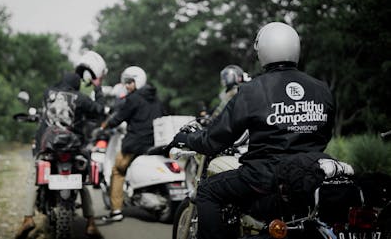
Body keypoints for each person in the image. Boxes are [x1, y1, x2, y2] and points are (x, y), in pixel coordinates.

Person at [170, 22, 335, 239]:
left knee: (207, 191)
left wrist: (188, 139)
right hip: (310, 174)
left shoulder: (253, 90)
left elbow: (214, 140)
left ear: (263, 51)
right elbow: (325, 133)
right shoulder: (321, 88)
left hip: (265, 176)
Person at [15, 72, 106, 239]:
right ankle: (91, 223)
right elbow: (100, 110)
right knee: (82, 182)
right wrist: (97, 88)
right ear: (77, 85)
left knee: (33, 178)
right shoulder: (81, 98)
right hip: (73, 148)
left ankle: (28, 218)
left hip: (48, 147)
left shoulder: (48, 93)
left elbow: (44, 112)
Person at [100, 66, 164, 222]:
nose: (127, 86)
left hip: (135, 143)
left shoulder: (133, 98)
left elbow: (119, 117)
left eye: (129, 82)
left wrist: (103, 126)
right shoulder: (156, 99)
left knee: (117, 170)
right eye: (126, 83)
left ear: (138, 81)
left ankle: (116, 210)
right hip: (154, 142)